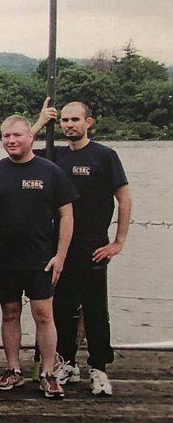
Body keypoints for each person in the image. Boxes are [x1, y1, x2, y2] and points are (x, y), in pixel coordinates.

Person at [32, 100, 131, 396]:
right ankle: (67, 362)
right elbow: (19, 148)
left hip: (93, 246)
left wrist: (118, 242)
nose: (68, 125)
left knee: (95, 309)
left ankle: (98, 367)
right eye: (63, 120)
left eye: (75, 119)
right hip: (59, 247)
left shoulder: (105, 156)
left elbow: (124, 199)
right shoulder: (54, 155)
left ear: (89, 122)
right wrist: (39, 123)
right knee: (60, 307)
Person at [0, 114, 75, 399]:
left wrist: (61, 255)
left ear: (31, 137)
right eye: (6, 136)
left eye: (17, 135)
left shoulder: (50, 171)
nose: (11, 140)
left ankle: (48, 373)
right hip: (5, 258)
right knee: (9, 313)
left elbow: (66, 213)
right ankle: (13, 370)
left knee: (44, 314)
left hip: (41, 257)